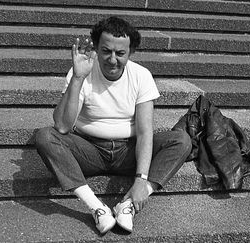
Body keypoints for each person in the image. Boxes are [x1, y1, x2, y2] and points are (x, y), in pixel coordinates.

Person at [35, 16, 191, 234]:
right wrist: (78, 78)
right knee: (44, 136)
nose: (112, 60)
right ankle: (97, 208)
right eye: (106, 51)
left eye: (120, 54)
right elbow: (61, 126)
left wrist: (141, 180)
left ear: (131, 53)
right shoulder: (82, 71)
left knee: (181, 140)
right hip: (89, 150)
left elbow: (146, 132)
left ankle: (128, 205)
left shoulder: (141, 76)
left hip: (129, 151)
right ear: (97, 48)